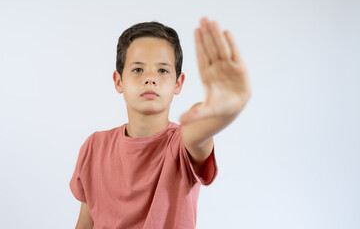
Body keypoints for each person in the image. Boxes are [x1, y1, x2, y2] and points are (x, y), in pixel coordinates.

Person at [69, 17, 252, 229]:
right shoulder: (94, 146)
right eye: (138, 69)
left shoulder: (181, 144)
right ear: (119, 81)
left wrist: (222, 111)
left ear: (178, 83)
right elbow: (84, 223)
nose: (150, 78)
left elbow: (199, 133)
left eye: (162, 70)